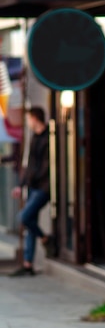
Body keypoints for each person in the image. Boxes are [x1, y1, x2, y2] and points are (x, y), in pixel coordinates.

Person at [10, 106, 53, 277]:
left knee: (24, 217)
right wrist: (21, 185)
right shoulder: (34, 137)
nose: (27, 122)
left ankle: (45, 239)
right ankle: (28, 264)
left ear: (35, 118)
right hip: (34, 186)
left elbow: (45, 166)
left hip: (44, 187)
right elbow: (30, 164)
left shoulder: (49, 137)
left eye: (28, 119)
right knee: (29, 224)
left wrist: (29, 181)